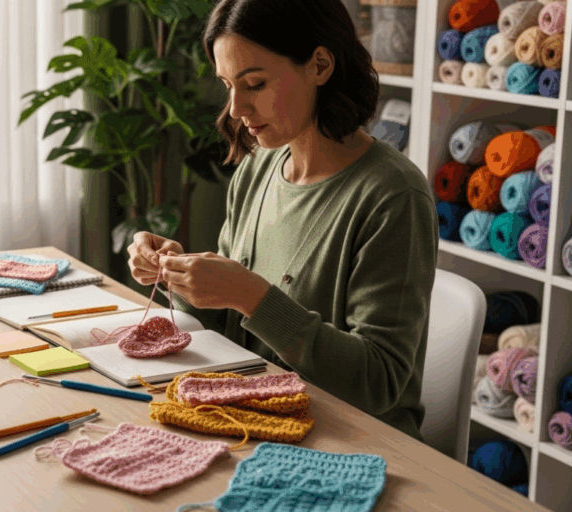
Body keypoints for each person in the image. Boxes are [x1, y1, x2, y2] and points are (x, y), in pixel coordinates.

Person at [127, 0, 437, 441]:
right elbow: (230, 329)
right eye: (228, 85)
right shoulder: (257, 169)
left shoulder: (393, 195)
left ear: (320, 65)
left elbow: (379, 382)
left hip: (355, 443)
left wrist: (252, 296)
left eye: (254, 84)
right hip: (257, 420)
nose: (236, 108)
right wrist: (180, 276)